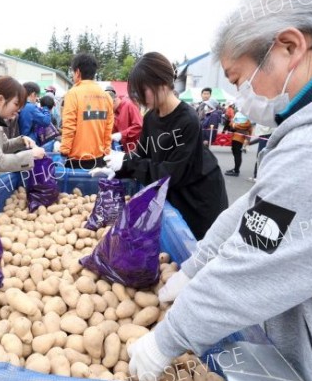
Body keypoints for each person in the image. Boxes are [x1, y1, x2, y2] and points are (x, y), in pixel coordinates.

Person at [127, 0, 312, 381]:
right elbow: (256, 207)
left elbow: (254, 255)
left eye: (240, 80)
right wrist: (195, 267)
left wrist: (165, 341)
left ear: (289, 47)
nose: (240, 97)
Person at [91, 52, 228, 240]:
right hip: (174, 189)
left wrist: (127, 163)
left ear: (162, 82)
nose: (139, 97)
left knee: (198, 243)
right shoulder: (151, 118)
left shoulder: (188, 120)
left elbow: (172, 173)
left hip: (198, 195)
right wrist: (119, 168)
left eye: (143, 90)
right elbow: (142, 155)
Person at [61, 53, 114, 170]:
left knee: (75, 188)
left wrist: (64, 151)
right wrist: (106, 150)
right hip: (99, 158)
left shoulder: (73, 93)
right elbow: (108, 129)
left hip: (77, 159)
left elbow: (69, 126)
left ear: (78, 72)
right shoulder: (106, 97)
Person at [105, 86, 143, 152]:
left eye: (108, 106)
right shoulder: (114, 112)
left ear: (114, 101)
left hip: (138, 147)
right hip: (126, 148)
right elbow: (114, 130)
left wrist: (121, 134)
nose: (107, 109)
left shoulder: (129, 105)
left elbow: (139, 126)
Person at [224, 111, 252, 176]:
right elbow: (231, 123)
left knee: (237, 153)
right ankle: (235, 169)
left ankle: (236, 171)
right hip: (236, 135)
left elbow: (246, 125)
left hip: (241, 136)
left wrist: (235, 125)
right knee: (235, 152)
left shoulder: (247, 114)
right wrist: (234, 124)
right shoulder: (239, 113)